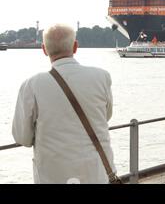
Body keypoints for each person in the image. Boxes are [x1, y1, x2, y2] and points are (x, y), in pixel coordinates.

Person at [12, 24, 116, 184]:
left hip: (53, 176)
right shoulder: (102, 77)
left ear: (44, 49)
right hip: (97, 172)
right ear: (75, 46)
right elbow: (106, 116)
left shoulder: (31, 85)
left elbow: (22, 137)